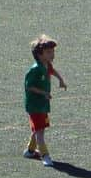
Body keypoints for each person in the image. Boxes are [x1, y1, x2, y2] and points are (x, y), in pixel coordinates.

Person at [22, 34, 66, 165]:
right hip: (34, 105)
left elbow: (53, 71)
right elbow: (29, 87)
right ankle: (45, 156)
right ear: (40, 54)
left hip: (43, 104)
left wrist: (61, 80)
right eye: (49, 52)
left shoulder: (47, 65)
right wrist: (44, 93)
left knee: (39, 128)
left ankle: (30, 151)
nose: (52, 54)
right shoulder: (35, 70)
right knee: (40, 131)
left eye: (53, 51)